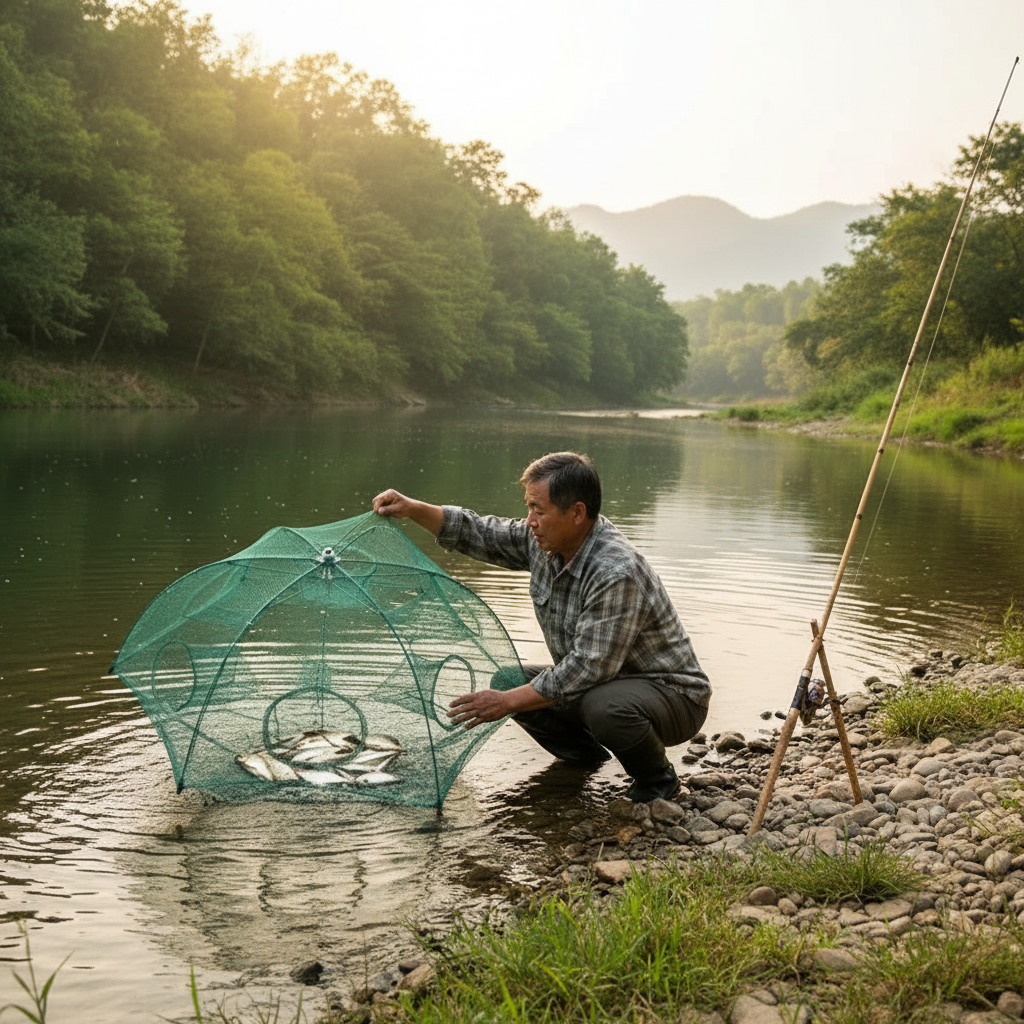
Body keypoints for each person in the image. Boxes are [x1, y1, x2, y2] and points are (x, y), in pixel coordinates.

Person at [371, 451, 711, 802]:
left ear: (577, 513)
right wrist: (411, 508)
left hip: (672, 697)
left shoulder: (615, 571)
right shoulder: (545, 541)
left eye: (539, 510)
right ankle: (584, 761)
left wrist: (505, 703)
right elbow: (480, 532)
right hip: (604, 683)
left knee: (597, 706)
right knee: (510, 681)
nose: (530, 520)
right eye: (528, 507)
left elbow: (586, 670)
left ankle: (658, 780)